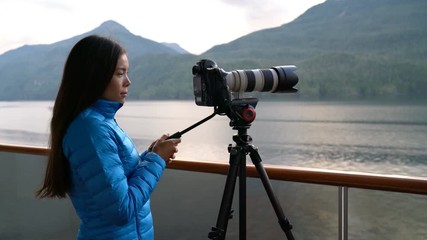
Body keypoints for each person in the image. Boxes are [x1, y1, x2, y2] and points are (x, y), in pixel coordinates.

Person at [36, 35, 181, 240]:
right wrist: (157, 161)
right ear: (95, 76)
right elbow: (121, 210)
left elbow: (117, 175)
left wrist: (152, 154)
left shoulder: (99, 122)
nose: (128, 82)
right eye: (120, 73)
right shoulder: (90, 129)